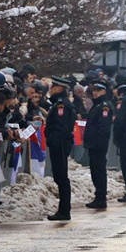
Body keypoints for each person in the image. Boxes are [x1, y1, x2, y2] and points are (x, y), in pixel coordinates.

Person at [44, 77, 77, 221]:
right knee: (60, 176)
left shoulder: (61, 105)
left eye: (53, 86)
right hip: (59, 144)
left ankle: (64, 210)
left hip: (60, 144)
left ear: (60, 88)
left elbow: (61, 127)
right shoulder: (59, 104)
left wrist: (53, 141)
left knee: (62, 177)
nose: (51, 89)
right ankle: (63, 209)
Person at [84, 80, 114, 209]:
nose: (95, 93)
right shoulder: (98, 105)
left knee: (99, 170)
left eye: (98, 90)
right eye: (94, 90)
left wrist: (100, 143)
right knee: (95, 170)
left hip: (98, 144)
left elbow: (103, 127)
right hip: (94, 143)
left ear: (104, 91)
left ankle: (101, 198)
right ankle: (99, 196)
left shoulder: (104, 106)